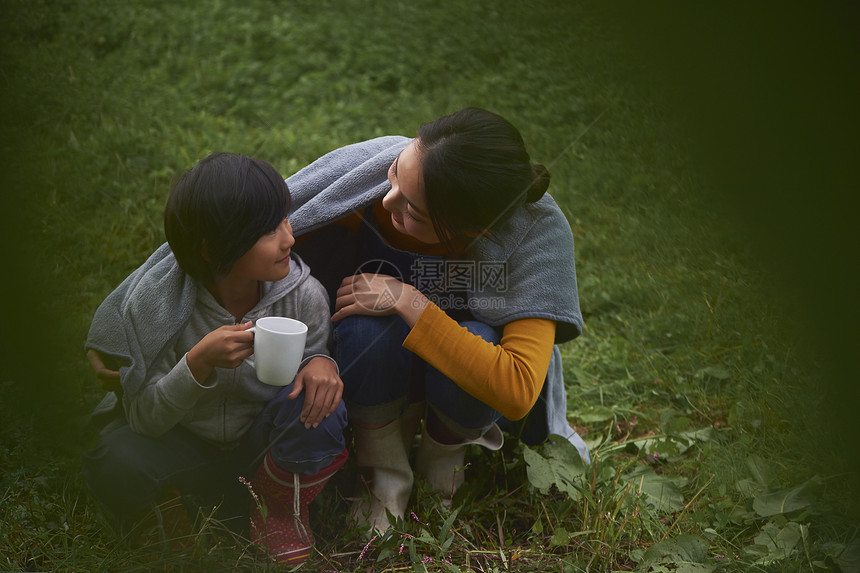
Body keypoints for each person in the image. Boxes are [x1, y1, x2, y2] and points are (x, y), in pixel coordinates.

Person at [286, 107, 589, 532]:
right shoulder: (366, 183)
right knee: (364, 325)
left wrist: (408, 299)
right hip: (370, 372)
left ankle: (441, 469)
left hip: (463, 390)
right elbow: (263, 240)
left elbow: (518, 387)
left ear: (476, 232)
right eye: (394, 173)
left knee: (480, 336)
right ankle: (383, 475)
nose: (387, 199)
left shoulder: (532, 233)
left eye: (414, 211)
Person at [82, 152, 348, 565]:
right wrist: (195, 364)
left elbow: (313, 362)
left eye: (285, 219)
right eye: (267, 231)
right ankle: (170, 507)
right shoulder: (159, 305)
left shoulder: (304, 295)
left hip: (261, 449)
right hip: (184, 446)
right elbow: (143, 419)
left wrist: (321, 363)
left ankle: (277, 507)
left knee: (322, 409)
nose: (289, 238)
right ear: (212, 249)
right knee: (112, 457)